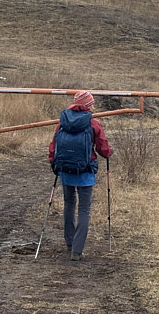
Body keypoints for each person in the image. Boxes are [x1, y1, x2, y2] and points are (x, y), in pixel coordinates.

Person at [48, 90, 112, 261]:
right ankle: (77, 250)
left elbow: (54, 144)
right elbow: (103, 149)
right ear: (88, 105)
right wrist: (108, 153)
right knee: (84, 209)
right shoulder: (93, 123)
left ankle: (69, 242)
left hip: (65, 170)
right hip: (85, 171)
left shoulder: (63, 121)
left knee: (69, 204)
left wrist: (53, 162)